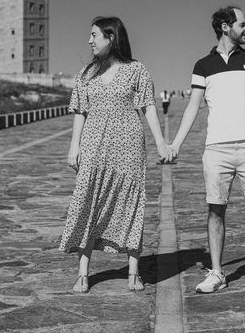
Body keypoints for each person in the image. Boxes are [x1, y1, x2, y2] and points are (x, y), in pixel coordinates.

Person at [59, 16, 172, 293]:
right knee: (87, 200)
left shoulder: (137, 70)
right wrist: (74, 146)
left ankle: (134, 271)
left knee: (131, 203)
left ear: (111, 37)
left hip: (128, 146)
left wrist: (160, 143)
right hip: (94, 144)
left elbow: (147, 107)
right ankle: (83, 272)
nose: (89, 40)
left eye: (94, 35)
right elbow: (80, 112)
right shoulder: (86, 73)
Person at [169, 5, 245, 294]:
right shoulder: (203, 65)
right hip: (216, 148)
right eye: (243, 24)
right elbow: (193, 106)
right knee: (215, 210)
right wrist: (176, 144)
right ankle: (216, 272)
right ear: (226, 27)